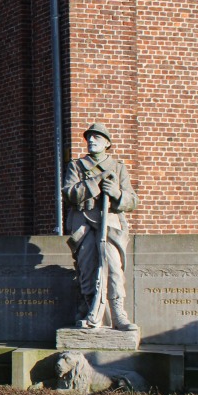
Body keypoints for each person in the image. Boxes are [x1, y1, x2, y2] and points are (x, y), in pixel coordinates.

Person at [62, 122, 139, 330]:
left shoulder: (118, 168)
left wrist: (116, 193)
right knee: (86, 268)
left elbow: (132, 200)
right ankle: (91, 311)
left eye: (97, 137)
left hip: (110, 222)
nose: (91, 141)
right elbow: (69, 193)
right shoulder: (76, 166)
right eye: (89, 138)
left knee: (113, 266)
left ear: (107, 143)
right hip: (83, 223)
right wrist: (95, 182)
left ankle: (118, 313)